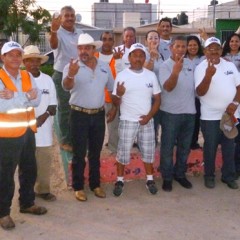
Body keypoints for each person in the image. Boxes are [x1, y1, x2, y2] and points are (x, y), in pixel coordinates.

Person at [62, 33, 116, 201]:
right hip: (78, 114)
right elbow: (66, 86)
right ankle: (78, 186)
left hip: (98, 115)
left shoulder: (104, 67)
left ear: (94, 49)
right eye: (80, 48)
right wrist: (71, 74)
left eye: (87, 48)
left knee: (95, 152)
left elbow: (112, 89)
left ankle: (95, 185)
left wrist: (114, 107)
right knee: (79, 153)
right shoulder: (71, 66)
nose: (83, 51)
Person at [0, 41, 47, 230]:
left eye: (18, 54)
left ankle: (27, 203)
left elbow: (37, 101)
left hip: (28, 131)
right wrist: (25, 97)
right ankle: (3, 213)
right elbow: (2, 106)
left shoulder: (27, 75)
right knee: (5, 175)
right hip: (7, 134)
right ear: (3, 57)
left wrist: (16, 96)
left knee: (29, 170)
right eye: (10, 54)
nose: (15, 58)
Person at [112, 43, 161, 197]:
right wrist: (119, 94)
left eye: (141, 56)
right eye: (135, 55)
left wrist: (148, 117)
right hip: (127, 120)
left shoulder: (150, 75)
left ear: (144, 58)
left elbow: (158, 99)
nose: (138, 59)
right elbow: (115, 102)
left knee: (148, 152)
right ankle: (120, 180)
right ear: (130, 57)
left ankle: (150, 180)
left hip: (146, 121)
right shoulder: (122, 75)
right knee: (123, 152)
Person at [195, 37, 240, 189]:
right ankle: (209, 176)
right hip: (210, 117)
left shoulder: (230, 65)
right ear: (205, 51)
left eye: (216, 48)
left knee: (229, 146)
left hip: (229, 116)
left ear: (221, 50)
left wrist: (235, 103)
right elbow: (200, 92)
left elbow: (239, 87)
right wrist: (208, 76)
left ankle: (228, 176)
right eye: (210, 48)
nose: (213, 51)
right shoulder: (201, 67)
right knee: (210, 147)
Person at [159, 36, 196, 192]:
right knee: (167, 148)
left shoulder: (191, 64)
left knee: (184, 147)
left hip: (190, 113)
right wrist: (175, 72)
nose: (181, 49)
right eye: (178, 46)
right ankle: (167, 177)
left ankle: (180, 174)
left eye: (183, 46)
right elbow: (167, 87)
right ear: (171, 48)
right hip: (170, 114)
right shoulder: (165, 66)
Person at [22, 45, 58, 202]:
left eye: (37, 61)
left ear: (40, 63)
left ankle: (43, 190)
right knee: (26, 166)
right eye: (30, 61)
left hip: (43, 130)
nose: (34, 64)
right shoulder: (20, 79)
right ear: (25, 62)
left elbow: (53, 105)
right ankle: (26, 194)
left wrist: (42, 118)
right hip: (24, 130)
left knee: (44, 162)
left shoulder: (47, 80)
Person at [49, 5, 83, 152]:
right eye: (66, 15)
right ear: (61, 18)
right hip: (61, 74)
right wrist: (53, 31)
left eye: (72, 15)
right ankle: (65, 140)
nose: (69, 18)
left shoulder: (80, 33)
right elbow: (53, 44)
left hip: (78, 74)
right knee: (64, 109)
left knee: (77, 108)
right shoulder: (57, 33)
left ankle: (76, 138)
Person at [95, 31, 122, 153]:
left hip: (112, 98)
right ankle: (95, 151)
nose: (107, 42)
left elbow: (121, 78)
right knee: (96, 127)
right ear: (101, 42)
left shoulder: (118, 57)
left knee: (113, 127)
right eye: (104, 39)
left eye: (110, 39)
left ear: (113, 42)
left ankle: (113, 150)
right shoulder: (94, 56)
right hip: (96, 99)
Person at [222, 33, 240, 178]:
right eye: (232, 41)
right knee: (229, 134)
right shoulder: (223, 56)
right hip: (227, 97)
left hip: (238, 96)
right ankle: (230, 167)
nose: (234, 43)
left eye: (237, 41)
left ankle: (237, 167)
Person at [144, 30, 164, 146]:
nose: (153, 40)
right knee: (149, 122)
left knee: (157, 122)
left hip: (160, 94)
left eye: (156, 38)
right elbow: (146, 70)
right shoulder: (144, 53)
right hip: (148, 95)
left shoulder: (161, 55)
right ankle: (148, 145)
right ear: (146, 40)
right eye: (150, 38)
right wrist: (151, 57)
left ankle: (154, 142)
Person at [185, 35, 205, 150]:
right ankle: (182, 141)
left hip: (198, 96)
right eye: (190, 45)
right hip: (185, 96)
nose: (192, 47)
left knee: (197, 119)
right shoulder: (182, 59)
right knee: (186, 120)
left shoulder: (203, 59)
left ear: (199, 46)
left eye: (195, 45)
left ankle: (194, 142)